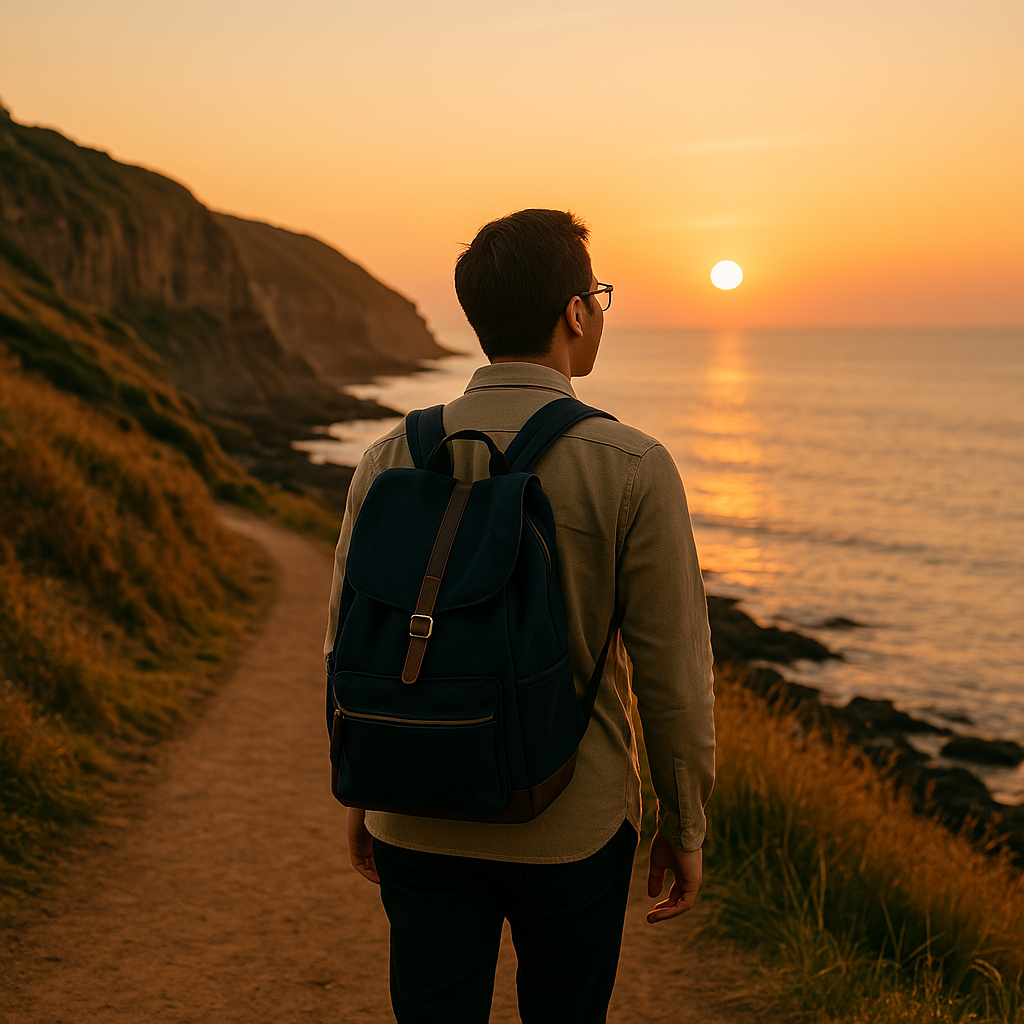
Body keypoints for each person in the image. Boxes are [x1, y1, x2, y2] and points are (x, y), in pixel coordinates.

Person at [323, 209, 715, 1024]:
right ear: (576, 312)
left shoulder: (389, 457)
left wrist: (365, 790)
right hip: (572, 822)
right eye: (598, 295)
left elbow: (348, 643)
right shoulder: (632, 465)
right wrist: (684, 821)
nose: (599, 311)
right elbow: (674, 674)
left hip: (418, 809)